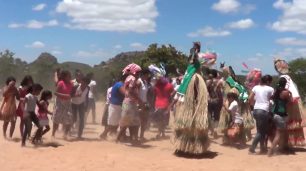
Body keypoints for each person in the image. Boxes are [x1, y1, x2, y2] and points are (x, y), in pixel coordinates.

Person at [173, 42, 210, 155]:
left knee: (186, 127)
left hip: (187, 109)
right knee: (191, 128)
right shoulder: (197, 78)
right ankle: (190, 147)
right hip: (193, 109)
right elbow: (200, 97)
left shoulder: (187, 76)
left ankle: (184, 147)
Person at [274, 59, 306, 147]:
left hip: (290, 102)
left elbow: (283, 91)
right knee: (292, 123)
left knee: (286, 123)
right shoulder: (288, 77)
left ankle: (285, 143)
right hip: (294, 100)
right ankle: (291, 142)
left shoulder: (283, 78)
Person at [117, 63, 144, 144]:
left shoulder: (130, 78)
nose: (140, 74)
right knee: (127, 122)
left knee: (133, 122)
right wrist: (139, 100)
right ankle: (118, 139)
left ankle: (131, 139)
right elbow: (131, 91)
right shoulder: (132, 78)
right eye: (139, 72)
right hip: (129, 103)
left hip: (129, 102)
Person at [248, 75, 274, 154]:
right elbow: (272, 100)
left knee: (260, 130)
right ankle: (252, 148)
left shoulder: (256, 87)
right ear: (268, 81)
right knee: (261, 132)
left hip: (256, 110)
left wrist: (253, 105)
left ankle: (262, 148)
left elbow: (250, 98)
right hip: (264, 111)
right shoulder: (270, 89)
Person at [268, 77, 292, 156]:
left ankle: (280, 148)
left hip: (274, 113)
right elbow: (290, 101)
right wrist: (290, 93)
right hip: (281, 115)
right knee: (279, 134)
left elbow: (272, 98)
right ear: (285, 84)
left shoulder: (276, 91)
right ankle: (272, 150)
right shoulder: (285, 92)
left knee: (279, 132)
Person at [100, 75, 126, 139]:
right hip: (115, 106)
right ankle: (104, 134)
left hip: (118, 106)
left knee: (119, 123)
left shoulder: (121, 85)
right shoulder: (119, 84)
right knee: (112, 124)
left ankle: (120, 136)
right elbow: (125, 93)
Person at [52, 70, 73, 140]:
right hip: (59, 102)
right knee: (57, 119)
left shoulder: (71, 83)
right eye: (68, 76)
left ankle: (65, 134)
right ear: (64, 77)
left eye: (70, 76)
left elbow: (71, 94)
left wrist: (74, 95)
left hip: (68, 103)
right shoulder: (61, 83)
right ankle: (53, 134)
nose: (70, 77)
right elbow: (55, 93)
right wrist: (65, 95)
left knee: (69, 118)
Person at [206, 69, 223, 138]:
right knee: (216, 116)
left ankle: (211, 130)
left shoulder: (208, 81)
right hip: (217, 100)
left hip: (210, 100)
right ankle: (215, 129)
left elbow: (206, 91)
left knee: (209, 115)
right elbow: (221, 91)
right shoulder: (220, 81)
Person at [138, 69, 151, 140]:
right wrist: (139, 103)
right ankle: (135, 135)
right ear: (143, 74)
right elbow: (136, 93)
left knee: (144, 121)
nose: (148, 76)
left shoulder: (145, 82)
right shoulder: (138, 82)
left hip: (145, 103)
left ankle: (141, 135)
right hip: (139, 103)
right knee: (138, 120)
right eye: (147, 75)